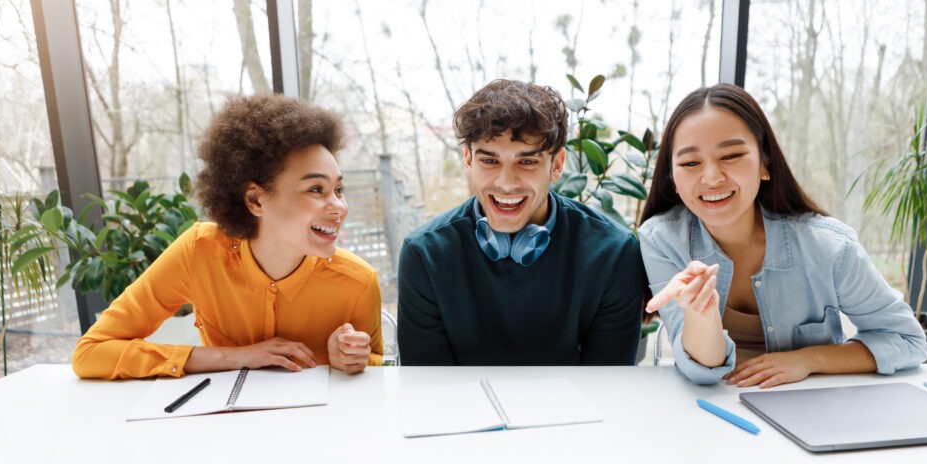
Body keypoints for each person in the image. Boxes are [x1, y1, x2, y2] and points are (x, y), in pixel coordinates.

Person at [72, 94, 382, 380]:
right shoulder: (198, 252)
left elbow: (379, 367)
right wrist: (234, 357)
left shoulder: (358, 283)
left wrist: (352, 360)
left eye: (338, 190)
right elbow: (91, 353)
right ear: (256, 200)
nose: (339, 207)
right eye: (316, 189)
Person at [640, 83, 927, 388]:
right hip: (712, 411)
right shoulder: (661, 240)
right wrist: (703, 313)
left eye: (731, 155)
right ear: (672, 178)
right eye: (690, 163)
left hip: (811, 410)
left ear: (765, 164)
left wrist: (809, 360)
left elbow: (908, 340)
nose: (711, 177)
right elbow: (701, 370)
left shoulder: (830, 247)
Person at [397, 79, 644, 365]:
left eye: (527, 162)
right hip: (461, 410)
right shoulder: (424, 255)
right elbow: (430, 391)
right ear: (468, 160)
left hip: (578, 409)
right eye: (490, 161)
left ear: (558, 165)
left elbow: (607, 388)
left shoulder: (614, 253)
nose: (506, 183)